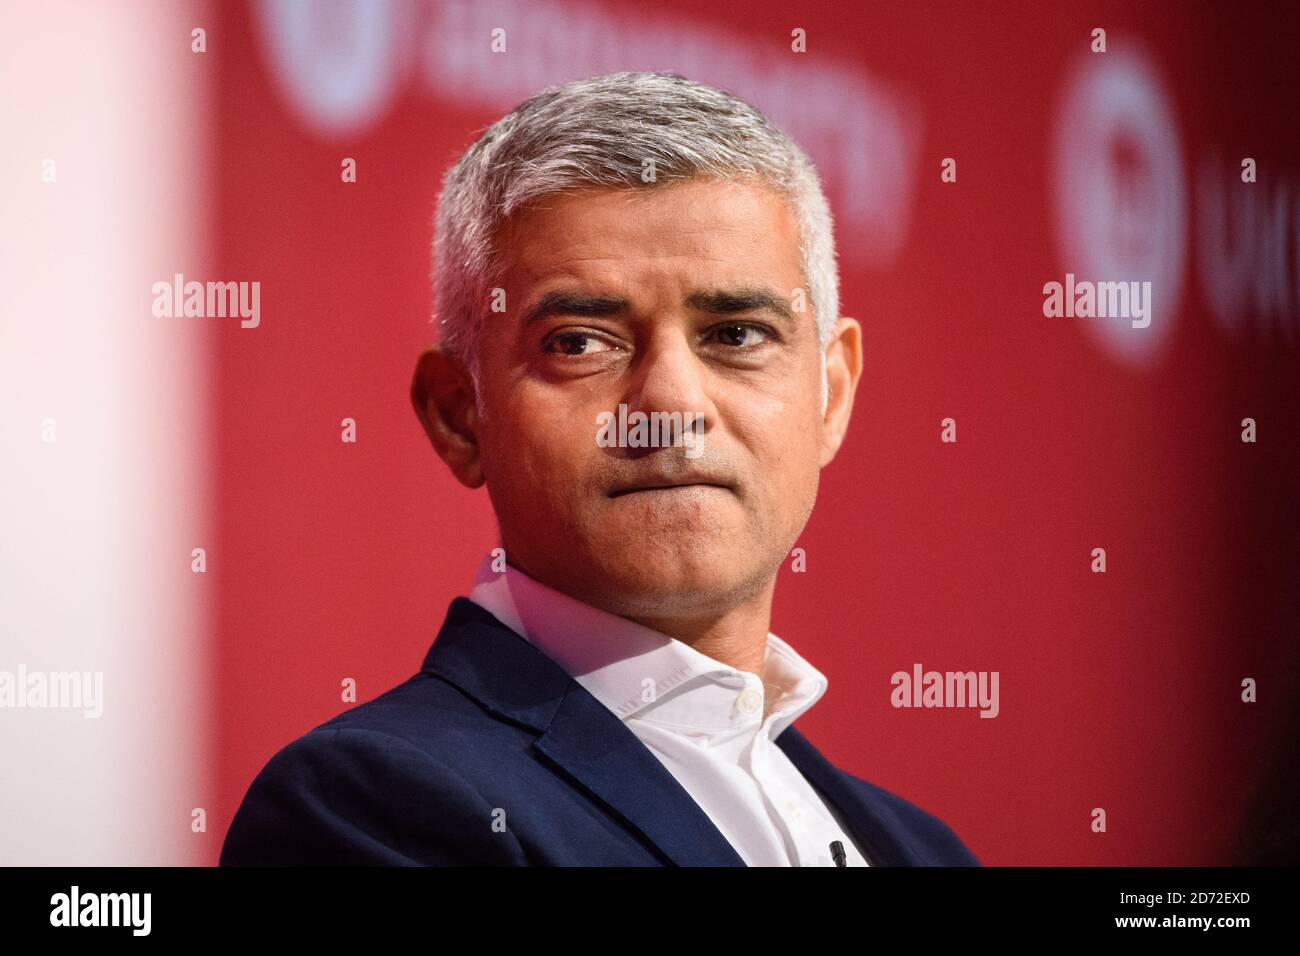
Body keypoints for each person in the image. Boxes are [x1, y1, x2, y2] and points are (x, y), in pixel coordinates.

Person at [221, 71, 978, 867]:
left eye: (737, 335)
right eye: (580, 342)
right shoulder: (370, 808)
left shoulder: (923, 851)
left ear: (830, 395)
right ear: (458, 414)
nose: (672, 405)